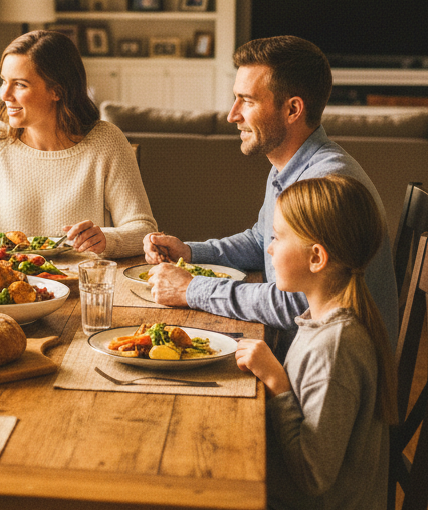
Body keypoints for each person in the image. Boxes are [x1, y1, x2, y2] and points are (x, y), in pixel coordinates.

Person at [111, 174, 396, 510]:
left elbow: (313, 473)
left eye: (278, 238)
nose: (269, 249)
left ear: (316, 258)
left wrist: (276, 383)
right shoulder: (322, 318)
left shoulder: (336, 344)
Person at [143, 35, 399, 350]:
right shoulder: (288, 166)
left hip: (325, 374)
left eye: (247, 100)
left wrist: (192, 289)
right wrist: (191, 254)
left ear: (293, 109)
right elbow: (261, 240)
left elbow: (295, 305)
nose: (232, 115)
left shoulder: (323, 184)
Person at [0, 30, 155, 260]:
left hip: (81, 286)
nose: (4, 95)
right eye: (4, 81)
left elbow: (142, 228)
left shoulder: (106, 142)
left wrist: (106, 239)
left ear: (57, 91)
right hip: (14, 288)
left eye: (20, 84)